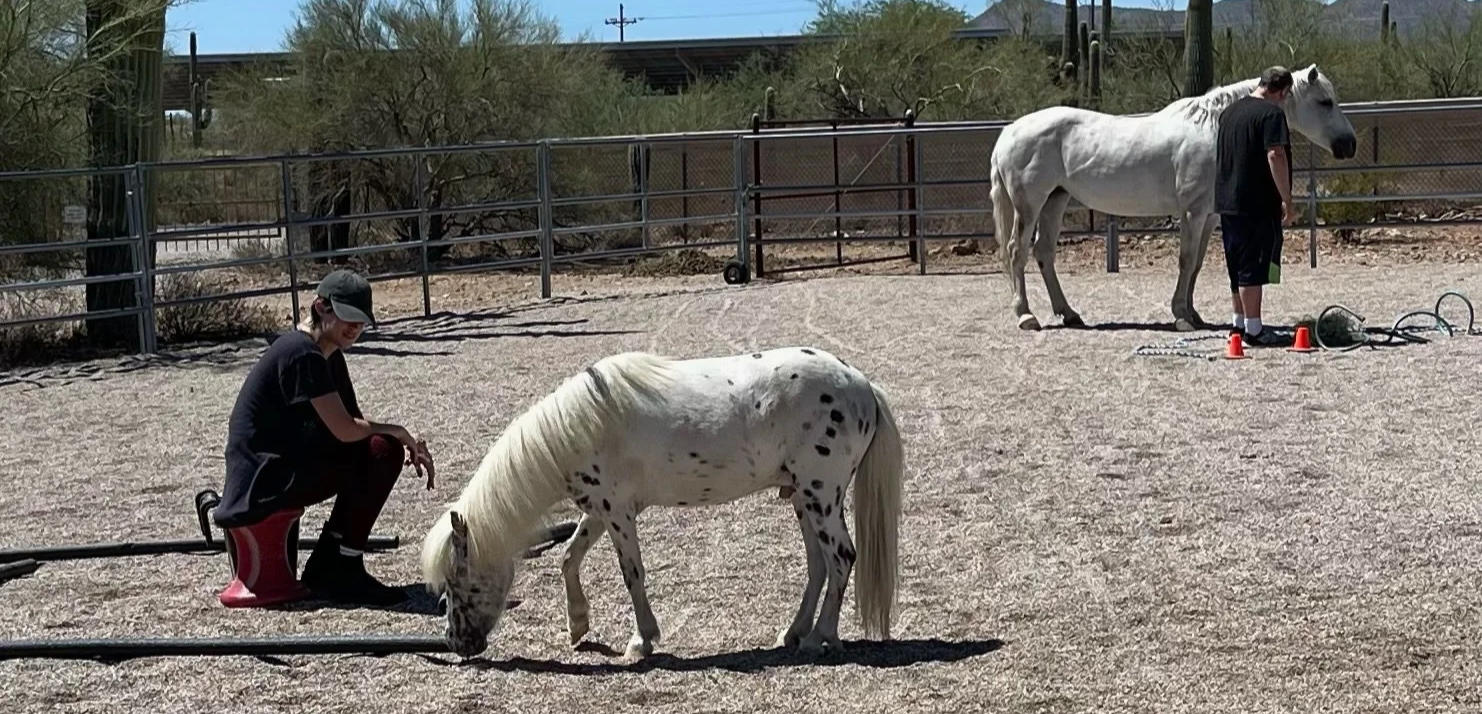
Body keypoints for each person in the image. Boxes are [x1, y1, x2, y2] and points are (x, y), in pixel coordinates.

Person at [215, 269, 435, 606]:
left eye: (361, 321)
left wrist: (397, 437)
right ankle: (339, 566)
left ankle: (334, 563)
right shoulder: (301, 352)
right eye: (348, 317)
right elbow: (347, 430)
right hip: (260, 482)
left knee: (377, 450)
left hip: (274, 471)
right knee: (382, 450)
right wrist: (398, 433)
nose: (355, 328)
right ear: (321, 307)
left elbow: (353, 425)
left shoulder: (326, 356)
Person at [1215, 65, 1297, 347]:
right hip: (1256, 202)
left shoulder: (1229, 113)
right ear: (1283, 91)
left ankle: (1238, 323)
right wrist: (1286, 199)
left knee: (1236, 265)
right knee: (1253, 265)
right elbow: (1275, 154)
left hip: (1227, 201)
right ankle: (1254, 329)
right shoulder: (1272, 114)